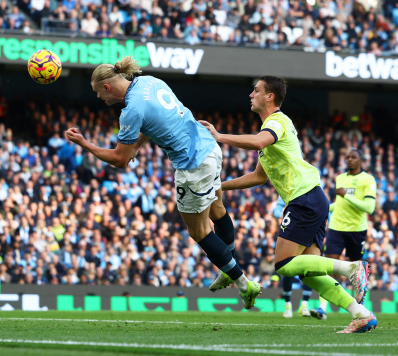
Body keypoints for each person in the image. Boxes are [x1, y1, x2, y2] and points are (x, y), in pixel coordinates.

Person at [64, 56, 260, 309]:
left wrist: (84, 143)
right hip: (210, 149)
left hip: (192, 165)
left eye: (98, 93)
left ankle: (243, 283)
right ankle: (228, 267)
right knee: (217, 209)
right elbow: (156, 120)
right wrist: (135, 145)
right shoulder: (149, 82)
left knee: (199, 231)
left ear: (107, 87)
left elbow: (119, 159)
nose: (99, 98)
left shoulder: (131, 109)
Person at [199, 76, 377, 333]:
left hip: (304, 199)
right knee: (310, 274)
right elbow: (258, 177)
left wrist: (218, 136)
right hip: (312, 198)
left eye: (256, 90)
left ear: (270, 96)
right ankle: (360, 313)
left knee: (284, 265)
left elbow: (259, 141)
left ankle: (351, 268)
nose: (251, 95)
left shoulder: (278, 122)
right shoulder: (270, 131)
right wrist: (220, 186)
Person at [311, 149, 377, 320]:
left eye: (353, 157)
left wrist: (345, 195)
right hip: (336, 229)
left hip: (357, 230)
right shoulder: (340, 178)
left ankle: (360, 309)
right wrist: (322, 208)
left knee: (357, 272)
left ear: (360, 161)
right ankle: (322, 308)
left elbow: (369, 208)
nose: (349, 160)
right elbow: (339, 205)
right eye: (347, 157)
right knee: (327, 266)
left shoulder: (367, 180)